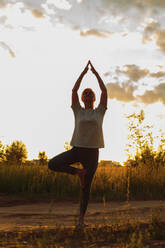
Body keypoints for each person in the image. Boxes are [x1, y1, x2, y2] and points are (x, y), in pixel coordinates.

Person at [48, 60, 107, 226]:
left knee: (86, 188)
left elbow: (104, 90)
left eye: (90, 93)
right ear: (82, 97)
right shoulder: (78, 110)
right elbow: (74, 90)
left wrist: (95, 73)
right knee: (52, 163)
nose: (87, 94)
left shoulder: (99, 112)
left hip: (93, 153)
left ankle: (81, 220)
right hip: (78, 149)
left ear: (93, 98)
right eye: (85, 93)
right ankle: (77, 173)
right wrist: (83, 73)